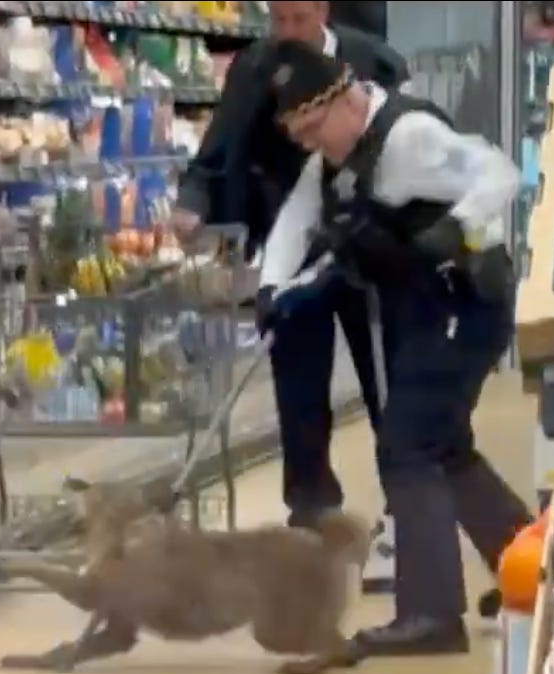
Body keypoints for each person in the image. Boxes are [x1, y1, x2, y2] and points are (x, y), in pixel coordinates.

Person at [253, 40, 534, 656]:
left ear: (346, 99)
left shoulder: (409, 137)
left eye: (312, 127)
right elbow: (298, 220)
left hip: (468, 306)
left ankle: (430, 616)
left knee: (407, 442)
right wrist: (275, 289)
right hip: (425, 310)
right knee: (444, 443)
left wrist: (457, 227)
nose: (309, 143)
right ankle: (532, 566)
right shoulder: (333, 157)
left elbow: (501, 172)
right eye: (297, 133)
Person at [173, 2, 409, 551]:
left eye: (297, 20)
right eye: (277, 20)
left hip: (367, 244)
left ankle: (405, 507)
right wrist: (192, 203)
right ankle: (313, 517)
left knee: (386, 381)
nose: (286, 33)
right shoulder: (255, 67)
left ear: (322, 12)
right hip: (291, 242)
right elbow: (216, 152)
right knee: (298, 386)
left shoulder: (373, 61)